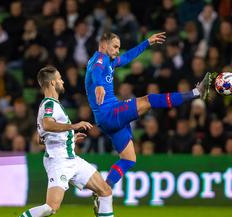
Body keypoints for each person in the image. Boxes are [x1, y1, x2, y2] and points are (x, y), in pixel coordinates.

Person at [0, 66, 132, 217]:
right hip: (59, 162)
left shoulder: (51, 105)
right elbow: (48, 124)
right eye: (59, 79)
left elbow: (40, 138)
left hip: (71, 158)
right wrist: (74, 127)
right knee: (51, 207)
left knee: (105, 190)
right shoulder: (49, 104)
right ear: (52, 82)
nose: (62, 81)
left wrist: (69, 138)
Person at [85, 32, 212, 189]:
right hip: (110, 112)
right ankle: (195, 93)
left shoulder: (109, 61)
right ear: (104, 45)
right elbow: (97, 70)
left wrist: (146, 43)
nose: (118, 50)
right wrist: (98, 84)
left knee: (128, 159)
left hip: (107, 120)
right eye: (115, 46)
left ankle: (103, 190)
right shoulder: (100, 59)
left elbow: (126, 58)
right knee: (149, 100)